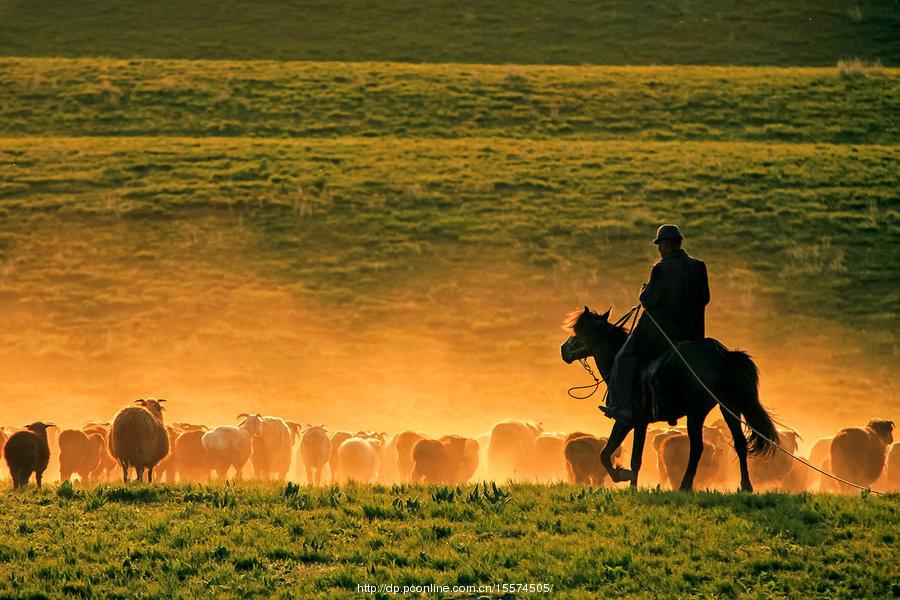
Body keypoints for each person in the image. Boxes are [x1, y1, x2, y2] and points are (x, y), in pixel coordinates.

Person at [602, 224, 710, 425]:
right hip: (694, 333)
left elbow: (648, 300)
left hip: (662, 333)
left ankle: (622, 408)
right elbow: (705, 298)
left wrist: (643, 290)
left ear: (668, 244)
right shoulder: (699, 265)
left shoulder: (661, 268)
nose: (659, 249)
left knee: (623, 358)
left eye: (660, 244)